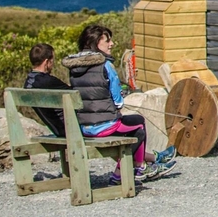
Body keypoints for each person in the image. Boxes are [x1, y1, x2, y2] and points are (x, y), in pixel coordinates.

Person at [63, 24, 177, 184]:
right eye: (107, 41)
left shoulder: (74, 68)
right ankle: (133, 170)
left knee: (133, 125)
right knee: (138, 125)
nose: (112, 44)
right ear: (96, 44)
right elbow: (118, 102)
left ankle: (141, 165)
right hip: (105, 126)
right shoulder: (106, 66)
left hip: (83, 127)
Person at [24, 43, 70, 136]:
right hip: (67, 129)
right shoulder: (48, 81)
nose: (53, 64)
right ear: (46, 62)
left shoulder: (28, 82)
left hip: (55, 128)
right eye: (52, 60)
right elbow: (76, 94)